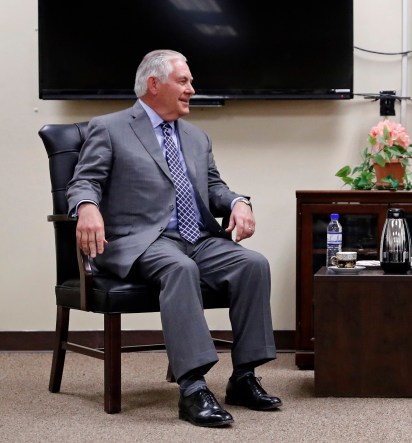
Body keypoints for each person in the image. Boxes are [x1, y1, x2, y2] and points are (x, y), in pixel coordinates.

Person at [67, 49, 281, 427]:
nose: (192, 90)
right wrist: (86, 206)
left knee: (252, 264)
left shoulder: (197, 137)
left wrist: (238, 202)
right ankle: (193, 388)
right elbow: (86, 180)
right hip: (144, 240)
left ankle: (244, 377)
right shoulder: (110, 127)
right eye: (183, 81)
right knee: (179, 268)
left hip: (197, 237)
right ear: (154, 85)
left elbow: (214, 186)